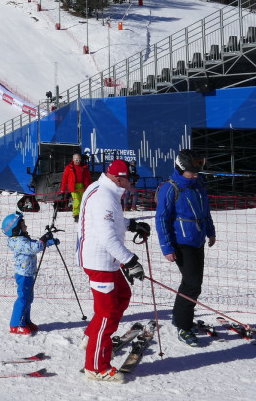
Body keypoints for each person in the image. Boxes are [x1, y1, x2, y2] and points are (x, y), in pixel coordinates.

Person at [75, 159, 150, 383]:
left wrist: (131, 225)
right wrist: (130, 261)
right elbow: (107, 237)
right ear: (119, 178)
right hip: (100, 262)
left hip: (105, 260)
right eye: (130, 178)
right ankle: (96, 367)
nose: (132, 182)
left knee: (122, 295)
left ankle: (92, 336)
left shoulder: (106, 189)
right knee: (107, 314)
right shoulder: (103, 197)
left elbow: (108, 223)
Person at [154, 149, 217, 346]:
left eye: (197, 170)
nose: (195, 174)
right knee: (191, 284)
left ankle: (179, 316)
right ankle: (183, 325)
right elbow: (161, 218)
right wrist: (167, 247)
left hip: (197, 239)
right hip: (181, 242)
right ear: (181, 169)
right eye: (191, 171)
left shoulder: (198, 183)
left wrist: (210, 230)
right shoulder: (170, 188)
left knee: (195, 283)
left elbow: (204, 209)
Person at [2, 211, 57, 335]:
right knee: (23, 299)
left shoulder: (22, 239)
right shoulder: (18, 241)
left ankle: (25, 320)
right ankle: (15, 324)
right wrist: (43, 239)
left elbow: (34, 245)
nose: (25, 227)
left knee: (28, 299)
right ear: (15, 229)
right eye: (22, 225)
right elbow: (33, 248)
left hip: (28, 273)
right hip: (23, 275)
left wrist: (48, 242)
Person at [59, 151, 91, 222]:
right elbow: (64, 179)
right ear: (73, 160)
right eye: (76, 160)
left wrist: (89, 187)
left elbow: (88, 178)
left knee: (82, 200)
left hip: (82, 186)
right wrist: (62, 190)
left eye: (79, 160)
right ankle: (76, 215)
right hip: (73, 186)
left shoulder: (84, 167)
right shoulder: (68, 168)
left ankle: (81, 214)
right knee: (77, 200)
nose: (78, 162)